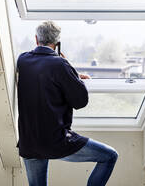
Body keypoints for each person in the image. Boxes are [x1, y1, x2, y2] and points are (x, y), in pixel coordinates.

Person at [16, 21, 118, 186]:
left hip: (29, 142)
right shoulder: (60, 64)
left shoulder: (23, 60)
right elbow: (80, 101)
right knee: (110, 156)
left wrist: (71, 72)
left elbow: (44, 73)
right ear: (57, 43)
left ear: (36, 39)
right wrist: (73, 73)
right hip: (55, 141)